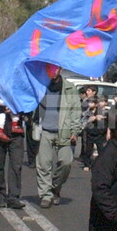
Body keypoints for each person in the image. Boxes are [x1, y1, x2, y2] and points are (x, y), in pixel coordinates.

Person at [33, 71, 79, 209]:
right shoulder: (39, 85)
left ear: (59, 69)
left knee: (66, 162)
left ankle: (55, 188)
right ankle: (46, 195)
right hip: (44, 131)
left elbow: (75, 110)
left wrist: (75, 130)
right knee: (43, 164)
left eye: (55, 68)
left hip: (63, 131)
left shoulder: (70, 88)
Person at [0, 83, 27, 209]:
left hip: (16, 132)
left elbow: (28, 103)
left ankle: (13, 196)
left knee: (16, 165)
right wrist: (4, 109)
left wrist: (17, 108)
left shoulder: (20, 82)